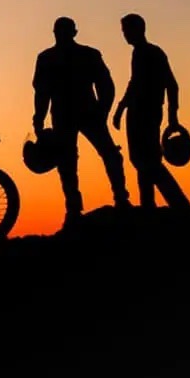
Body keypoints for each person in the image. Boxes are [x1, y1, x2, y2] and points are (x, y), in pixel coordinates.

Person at [33, 17, 131, 226]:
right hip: (77, 113)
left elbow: (42, 93)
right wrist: (39, 119)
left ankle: (90, 206)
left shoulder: (51, 58)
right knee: (81, 160)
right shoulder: (83, 55)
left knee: (94, 157)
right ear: (74, 32)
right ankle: (84, 207)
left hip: (78, 113)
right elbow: (42, 92)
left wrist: (39, 120)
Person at [112, 13, 190, 209]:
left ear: (138, 29)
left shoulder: (153, 53)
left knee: (149, 161)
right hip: (137, 112)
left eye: (126, 30)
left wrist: (173, 117)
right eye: (123, 31)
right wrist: (121, 108)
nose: (125, 35)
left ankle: (179, 202)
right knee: (141, 160)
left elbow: (172, 85)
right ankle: (148, 204)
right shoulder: (138, 53)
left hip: (147, 113)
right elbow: (134, 82)